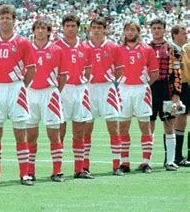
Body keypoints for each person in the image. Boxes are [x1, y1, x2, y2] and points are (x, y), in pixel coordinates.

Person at [0, 4, 35, 186]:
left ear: (14, 20)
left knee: (20, 133)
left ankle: (24, 174)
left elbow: (31, 69)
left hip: (16, 88)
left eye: (8, 17)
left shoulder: (23, 42)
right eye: (2, 17)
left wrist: (20, 85)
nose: (5, 20)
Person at [26, 19, 67, 183]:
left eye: (44, 28)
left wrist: (55, 91)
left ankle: (57, 171)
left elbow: (63, 76)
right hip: (30, 93)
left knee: (54, 134)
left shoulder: (57, 49)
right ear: (34, 31)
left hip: (49, 93)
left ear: (49, 31)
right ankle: (30, 171)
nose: (40, 31)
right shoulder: (26, 48)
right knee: (31, 135)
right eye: (38, 28)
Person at [55, 14, 94, 179]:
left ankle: (80, 169)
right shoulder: (56, 46)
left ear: (78, 28)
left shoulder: (85, 47)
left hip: (79, 90)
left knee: (80, 131)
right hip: (62, 90)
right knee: (60, 131)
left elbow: (88, 71)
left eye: (73, 26)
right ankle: (57, 170)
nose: (70, 29)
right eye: (67, 26)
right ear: (63, 27)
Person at [84, 18, 124, 175]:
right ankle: (85, 165)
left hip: (107, 89)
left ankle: (116, 165)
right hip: (89, 88)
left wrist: (110, 80)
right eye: (93, 27)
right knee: (86, 130)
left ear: (105, 29)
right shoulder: (84, 46)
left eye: (99, 27)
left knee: (113, 129)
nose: (96, 30)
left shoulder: (113, 47)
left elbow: (119, 70)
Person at [117, 21, 159, 173]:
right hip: (123, 90)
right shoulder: (118, 50)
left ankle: (146, 162)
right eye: (127, 29)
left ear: (138, 32)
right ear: (124, 32)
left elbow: (155, 73)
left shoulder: (147, 49)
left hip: (142, 90)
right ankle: (124, 163)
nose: (130, 32)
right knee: (123, 126)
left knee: (145, 126)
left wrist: (144, 83)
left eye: (133, 30)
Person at [148, 19, 182, 171]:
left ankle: (170, 161)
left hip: (166, 89)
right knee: (148, 125)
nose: (156, 30)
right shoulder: (145, 48)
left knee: (169, 125)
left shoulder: (173, 48)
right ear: (150, 30)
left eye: (159, 28)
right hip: (149, 89)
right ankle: (146, 161)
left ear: (164, 30)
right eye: (154, 28)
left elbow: (177, 72)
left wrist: (176, 94)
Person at [171, 25, 190, 166]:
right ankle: (176, 155)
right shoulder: (170, 49)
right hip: (178, 87)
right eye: (183, 33)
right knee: (178, 120)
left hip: (187, 86)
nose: (186, 35)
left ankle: (186, 155)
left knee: (183, 119)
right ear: (175, 35)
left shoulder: (186, 49)